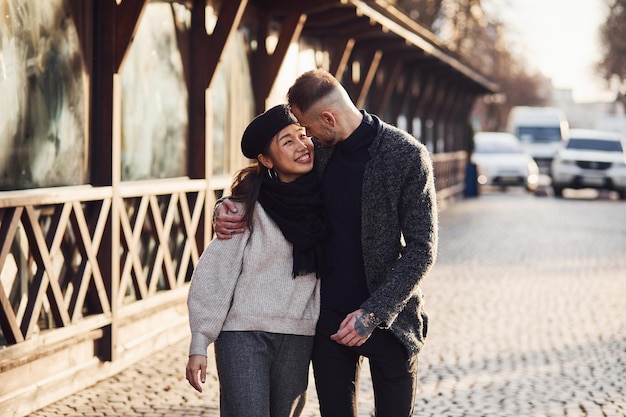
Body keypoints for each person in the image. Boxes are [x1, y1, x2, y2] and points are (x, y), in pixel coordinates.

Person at [214, 69, 438, 416]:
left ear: (328, 119)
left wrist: (373, 313)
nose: (305, 141)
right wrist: (227, 206)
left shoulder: (406, 155)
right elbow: (270, 180)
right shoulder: (319, 154)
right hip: (328, 324)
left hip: (391, 324)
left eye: (307, 129)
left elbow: (422, 249)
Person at [185, 104, 329, 417]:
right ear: (266, 160)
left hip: (299, 335)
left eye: (303, 136)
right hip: (242, 335)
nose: (302, 145)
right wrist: (200, 342)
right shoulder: (245, 209)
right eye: (287, 142)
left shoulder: (328, 199)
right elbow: (216, 273)